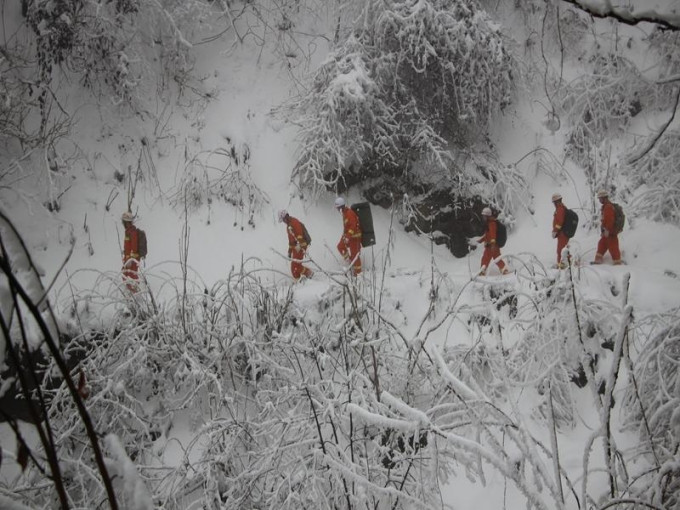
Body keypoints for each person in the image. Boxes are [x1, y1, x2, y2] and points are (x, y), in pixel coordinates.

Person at [279, 210, 313, 281]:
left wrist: (300, 246)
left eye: (283, 220)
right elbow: (291, 241)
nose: (283, 222)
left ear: (286, 217)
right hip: (296, 248)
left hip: (300, 246)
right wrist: (289, 251)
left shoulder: (294, 222)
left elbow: (299, 235)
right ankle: (299, 281)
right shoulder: (288, 226)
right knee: (295, 267)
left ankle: (309, 273)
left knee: (295, 267)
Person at [475, 207, 509, 276]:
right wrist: (480, 241)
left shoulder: (491, 224)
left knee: (485, 258)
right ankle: (504, 269)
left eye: (484, 216)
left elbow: (493, 234)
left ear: (487, 216)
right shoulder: (489, 223)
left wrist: (492, 244)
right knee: (497, 258)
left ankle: (482, 271)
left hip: (491, 246)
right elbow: (487, 235)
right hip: (493, 245)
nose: (483, 217)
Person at [592, 190, 623, 265]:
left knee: (613, 248)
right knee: (601, 244)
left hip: (610, 232)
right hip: (607, 232)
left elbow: (610, 220)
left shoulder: (608, 207)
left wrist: (607, 230)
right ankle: (598, 261)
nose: (599, 200)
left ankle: (617, 263)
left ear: (604, 198)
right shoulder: (606, 206)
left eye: (600, 198)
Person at [334, 197, 362, 276]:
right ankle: (350, 262)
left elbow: (352, 226)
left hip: (355, 237)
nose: (337, 210)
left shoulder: (349, 213)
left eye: (337, 208)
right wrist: (344, 236)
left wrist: (347, 237)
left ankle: (358, 274)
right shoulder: (345, 214)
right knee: (340, 246)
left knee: (355, 255)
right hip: (349, 237)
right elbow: (347, 227)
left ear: (341, 207)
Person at [121, 211, 142, 292]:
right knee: (125, 275)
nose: (123, 223)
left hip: (132, 259)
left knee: (131, 276)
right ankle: (131, 293)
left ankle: (135, 294)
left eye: (123, 222)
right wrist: (125, 252)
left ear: (126, 222)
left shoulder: (132, 232)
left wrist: (131, 259)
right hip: (128, 258)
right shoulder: (128, 231)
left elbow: (134, 247)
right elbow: (129, 245)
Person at [551, 193, 570, 269]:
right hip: (562, 233)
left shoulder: (560, 209)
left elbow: (559, 222)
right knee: (563, 249)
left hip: (562, 233)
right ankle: (567, 263)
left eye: (554, 202)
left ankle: (562, 265)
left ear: (557, 201)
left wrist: (555, 231)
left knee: (561, 250)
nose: (554, 204)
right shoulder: (562, 208)